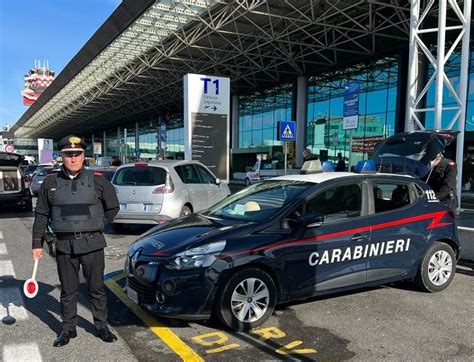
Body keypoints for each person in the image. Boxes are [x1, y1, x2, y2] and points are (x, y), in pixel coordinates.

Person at [32, 135, 120, 347]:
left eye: (77, 154)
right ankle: (68, 329)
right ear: (61, 156)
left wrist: (98, 224)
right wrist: (37, 243)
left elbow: (113, 207)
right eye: (68, 155)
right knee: (68, 290)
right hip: (64, 245)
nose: (73, 159)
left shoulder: (98, 181)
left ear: (83, 156)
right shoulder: (51, 183)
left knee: (96, 288)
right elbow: (42, 214)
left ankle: (101, 326)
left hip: (92, 244)